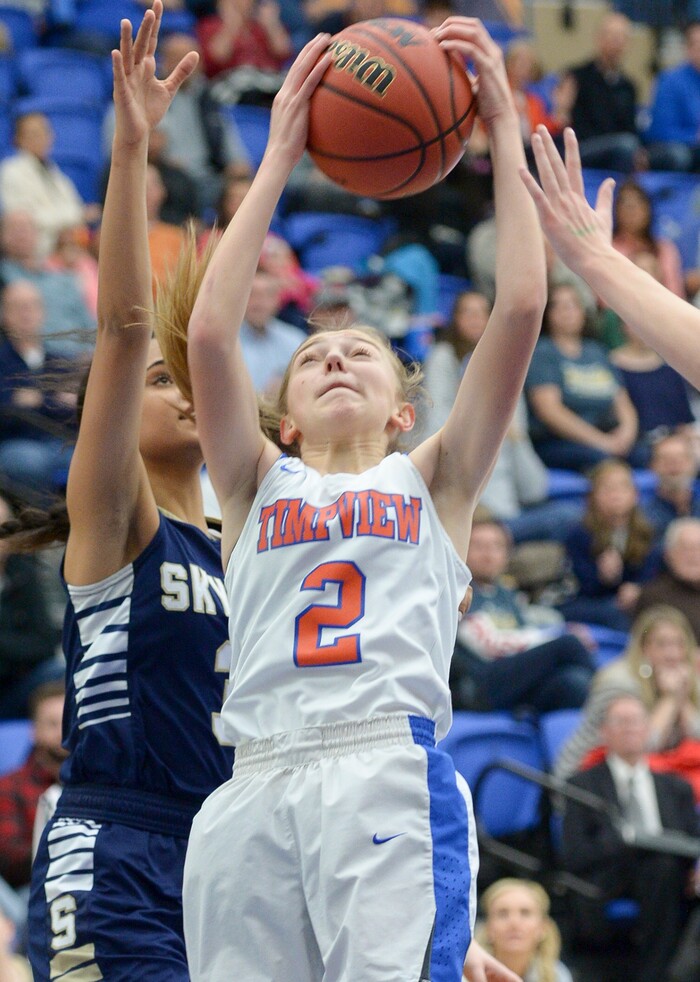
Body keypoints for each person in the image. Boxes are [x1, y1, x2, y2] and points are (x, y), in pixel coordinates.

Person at [156, 17, 546, 982]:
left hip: (383, 771)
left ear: (407, 411)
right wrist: (281, 151)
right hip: (252, 783)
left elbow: (523, 307)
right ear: (281, 416)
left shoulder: (432, 478)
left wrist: (499, 118)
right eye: (312, 356)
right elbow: (209, 331)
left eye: (360, 350)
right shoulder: (251, 481)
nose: (334, 355)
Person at [24, 7, 234, 979]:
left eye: (184, 379)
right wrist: (132, 148)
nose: (181, 391)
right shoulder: (116, 515)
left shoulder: (245, 539)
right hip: (116, 851)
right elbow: (120, 327)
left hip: (228, 856)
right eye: (162, 381)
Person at [560, 693, 700, 982]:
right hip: (609, 877)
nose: (630, 728)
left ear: (649, 729)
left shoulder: (676, 787)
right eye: (621, 721)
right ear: (603, 732)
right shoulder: (582, 786)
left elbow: (694, 840)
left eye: (637, 721)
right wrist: (626, 840)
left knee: (665, 869)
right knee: (661, 867)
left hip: (673, 879)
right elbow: (575, 855)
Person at [422, 290, 580, 543]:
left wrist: (515, 440)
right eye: (467, 313)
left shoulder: (507, 369)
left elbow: (534, 490)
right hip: (465, 520)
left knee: (571, 515)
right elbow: (434, 423)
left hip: (506, 521)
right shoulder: (443, 357)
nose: (475, 319)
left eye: (482, 313)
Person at [451, 515, 595, 713]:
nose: (488, 554)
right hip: (477, 684)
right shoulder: (459, 590)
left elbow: (523, 633)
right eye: (479, 546)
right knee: (569, 644)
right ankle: (614, 704)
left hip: (513, 681)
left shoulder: (505, 593)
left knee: (574, 683)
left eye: (496, 546)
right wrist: (555, 635)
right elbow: (489, 646)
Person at [554, 604, 700, 780]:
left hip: (642, 778)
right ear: (644, 648)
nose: (673, 654)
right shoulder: (619, 684)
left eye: (679, 644)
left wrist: (681, 700)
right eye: (662, 645)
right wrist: (669, 701)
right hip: (587, 781)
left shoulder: (685, 681)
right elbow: (638, 745)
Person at [525, 282, 641, 473]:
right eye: (559, 305)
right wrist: (601, 442)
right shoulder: (542, 353)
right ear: (547, 313)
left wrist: (625, 435)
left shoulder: (597, 351)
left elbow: (622, 402)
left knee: (649, 454)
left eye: (573, 305)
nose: (567, 311)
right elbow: (550, 411)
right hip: (561, 442)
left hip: (606, 434)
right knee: (603, 461)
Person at [0, 279, 77, 504]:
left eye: (32, 305)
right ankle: (46, 527)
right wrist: (54, 399)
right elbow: (8, 416)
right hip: (17, 444)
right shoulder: (3, 362)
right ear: (5, 315)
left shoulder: (61, 362)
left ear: (42, 312)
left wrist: (35, 400)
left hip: (62, 442)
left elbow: (75, 411)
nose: (26, 313)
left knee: (98, 458)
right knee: (27, 462)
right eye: (18, 307)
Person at [558, 459, 658, 632]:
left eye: (622, 487)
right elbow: (578, 587)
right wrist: (603, 578)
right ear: (592, 496)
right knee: (616, 611)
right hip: (583, 603)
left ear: (635, 495)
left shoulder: (646, 533)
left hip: (627, 601)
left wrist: (638, 589)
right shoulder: (579, 534)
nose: (615, 494)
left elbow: (652, 573)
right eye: (607, 488)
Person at [0, 112, 98, 260]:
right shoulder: (11, 171)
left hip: (68, 249)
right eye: (33, 133)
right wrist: (76, 217)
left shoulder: (54, 172)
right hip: (36, 254)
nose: (40, 138)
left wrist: (74, 218)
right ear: (18, 139)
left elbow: (74, 205)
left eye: (44, 131)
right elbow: (23, 221)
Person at [0, 492, 63, 721]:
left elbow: (44, 642)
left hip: (17, 687)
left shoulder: (22, 572)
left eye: (4, 530)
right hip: (16, 672)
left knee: (59, 671)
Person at [0, 681, 66, 897]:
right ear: (34, 731)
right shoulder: (11, 786)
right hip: (28, 890)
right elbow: (9, 857)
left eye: (68, 722)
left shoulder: (98, 783)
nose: (62, 733)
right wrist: (63, 852)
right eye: (52, 724)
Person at [563, 12, 644, 174]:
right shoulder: (578, 76)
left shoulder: (629, 86)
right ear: (599, 38)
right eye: (612, 36)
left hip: (621, 146)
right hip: (584, 146)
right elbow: (572, 122)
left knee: (669, 155)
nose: (617, 42)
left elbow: (630, 127)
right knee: (626, 145)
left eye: (622, 37)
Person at [473, 878, 574, 982]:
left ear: (543, 927)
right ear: (488, 928)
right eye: (503, 914)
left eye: (525, 913)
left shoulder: (557, 975)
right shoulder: (466, 971)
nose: (514, 923)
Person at [644, 20, 700, 172]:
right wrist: (694, 137)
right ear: (687, 48)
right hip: (672, 148)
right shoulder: (670, 80)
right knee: (679, 155)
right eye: (697, 45)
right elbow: (659, 131)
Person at [635, 516, 700, 640]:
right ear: (668, 555)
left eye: (698, 548)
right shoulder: (652, 597)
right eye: (686, 548)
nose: (694, 556)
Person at [645, 432, 700, 541]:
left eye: (681, 458)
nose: (674, 465)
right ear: (653, 466)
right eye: (666, 459)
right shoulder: (643, 519)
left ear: (694, 463)